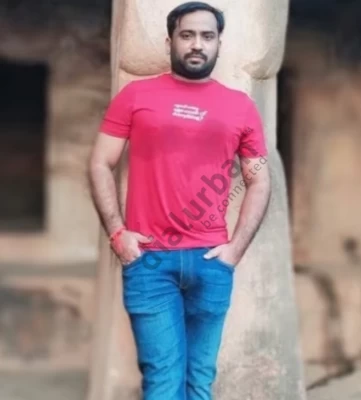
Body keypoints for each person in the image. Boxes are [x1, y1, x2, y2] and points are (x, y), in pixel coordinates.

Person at [88, 1, 271, 399]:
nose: (197, 44)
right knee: (163, 383)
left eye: (207, 36)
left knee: (199, 382)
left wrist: (235, 249)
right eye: (187, 35)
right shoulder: (136, 95)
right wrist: (118, 234)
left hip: (211, 262)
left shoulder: (240, 106)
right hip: (150, 263)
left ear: (219, 43)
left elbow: (258, 178)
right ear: (170, 40)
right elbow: (101, 163)